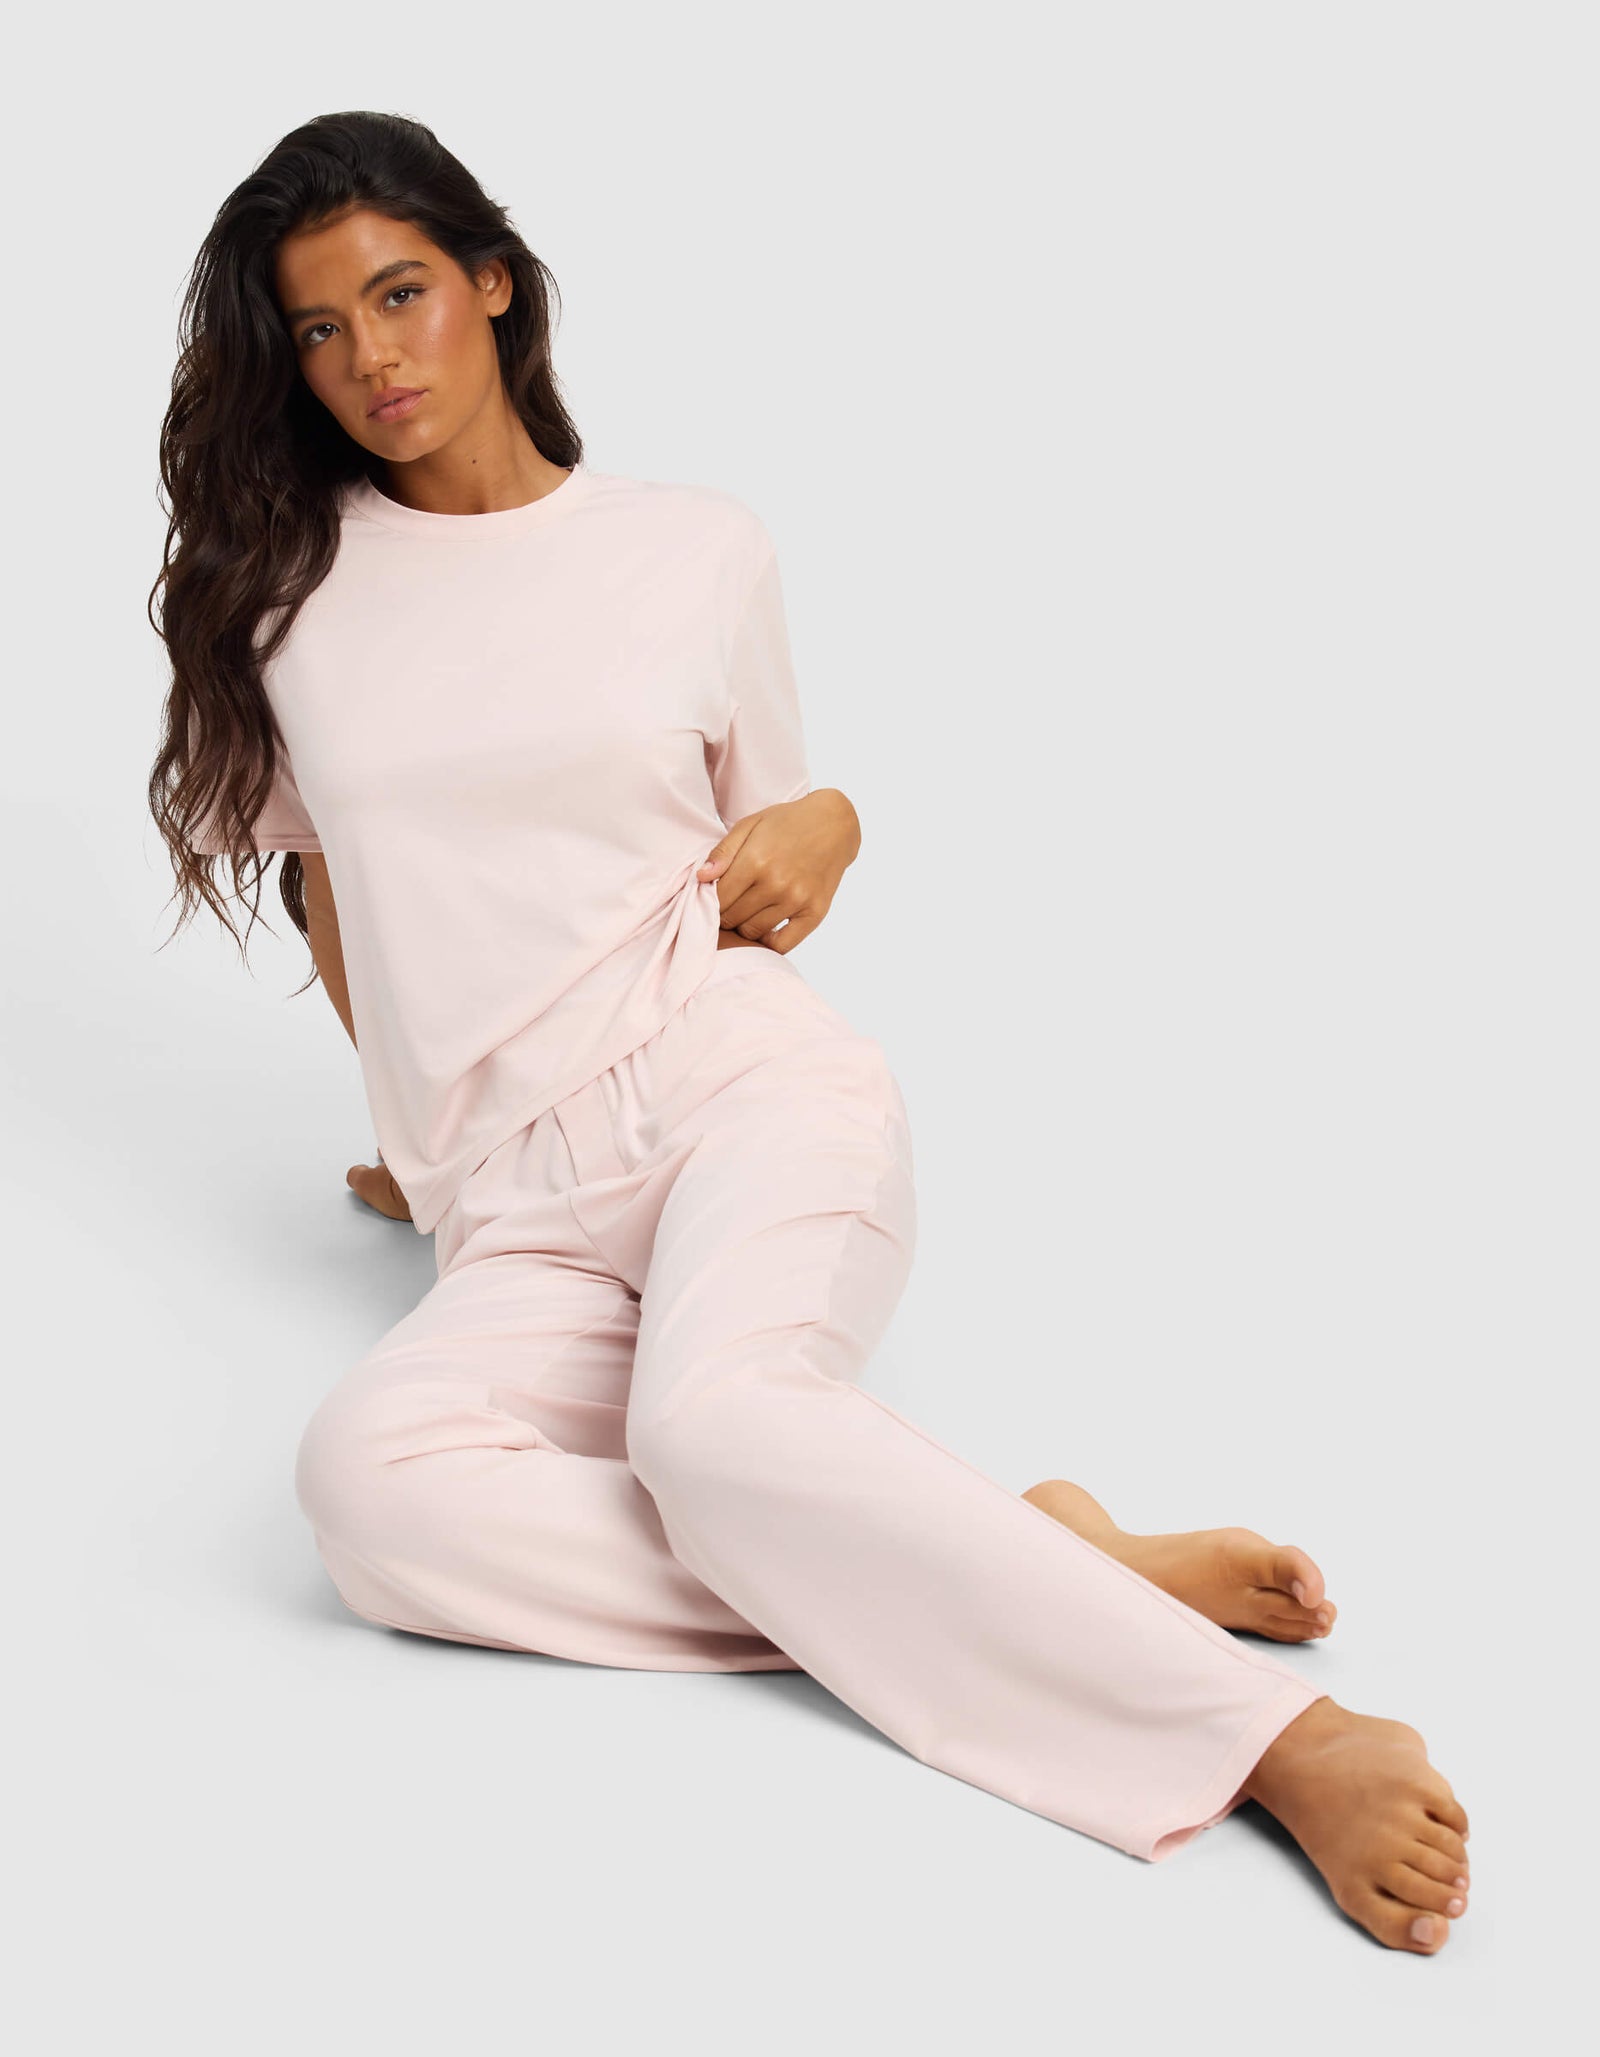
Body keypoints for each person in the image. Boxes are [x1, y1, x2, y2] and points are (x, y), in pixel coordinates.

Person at [150, 111, 1470, 1953]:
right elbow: (340, 894)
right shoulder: (292, 602)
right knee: (370, 1497)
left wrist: (838, 819)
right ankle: (1024, 1558)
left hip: (729, 1088)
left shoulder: (693, 548)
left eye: (402, 293)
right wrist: (420, 1132)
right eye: (317, 327)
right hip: (514, 1207)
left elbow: (767, 844)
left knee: (714, 1428)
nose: (371, 356)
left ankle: (1280, 1735)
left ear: (493, 284)